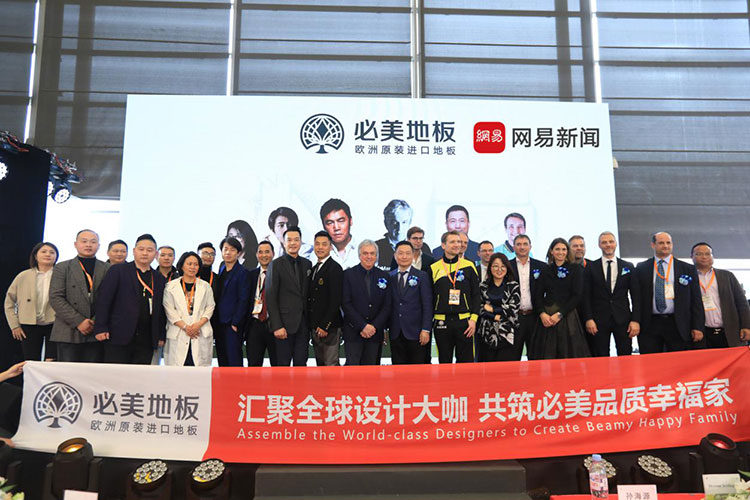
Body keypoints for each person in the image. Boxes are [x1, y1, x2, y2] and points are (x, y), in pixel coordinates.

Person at [93, 234, 166, 364]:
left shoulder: (158, 278)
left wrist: (160, 334)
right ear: (134, 251)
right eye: (141, 249)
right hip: (118, 335)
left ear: (155, 254)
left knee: (140, 374)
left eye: (149, 250)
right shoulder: (118, 270)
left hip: (147, 337)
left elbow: (161, 309)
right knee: (116, 373)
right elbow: (104, 301)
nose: (145, 253)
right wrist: (101, 327)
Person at [635, 232, 704, 353]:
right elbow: (637, 298)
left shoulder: (687, 268)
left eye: (668, 243)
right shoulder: (642, 268)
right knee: (651, 360)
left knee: (678, 361)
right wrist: (636, 320)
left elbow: (696, 299)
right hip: (650, 323)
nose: (665, 246)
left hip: (678, 323)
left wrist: (697, 326)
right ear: (653, 245)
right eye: (661, 243)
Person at [49, 229, 109, 362]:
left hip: (96, 330)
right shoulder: (62, 267)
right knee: (67, 373)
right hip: (68, 330)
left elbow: (110, 300)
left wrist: (95, 321)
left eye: (93, 242)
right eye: (84, 241)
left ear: (99, 246)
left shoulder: (107, 268)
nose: (88, 245)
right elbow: (55, 297)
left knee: (92, 373)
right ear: (75, 244)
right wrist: (79, 322)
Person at [581, 231, 641, 357]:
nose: (608, 245)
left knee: (625, 355)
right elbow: (586, 296)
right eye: (604, 242)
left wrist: (635, 320)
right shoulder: (591, 267)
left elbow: (636, 296)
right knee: (600, 356)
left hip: (623, 319)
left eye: (611, 242)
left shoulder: (628, 266)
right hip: (598, 320)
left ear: (616, 243)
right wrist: (589, 319)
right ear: (599, 245)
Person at [529, 238, 590, 360]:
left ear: (567, 251)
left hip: (567, 315)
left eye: (563, 249)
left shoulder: (575, 269)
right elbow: (538, 295)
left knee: (569, 355)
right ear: (551, 251)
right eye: (557, 249)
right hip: (547, 317)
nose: (560, 252)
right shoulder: (545, 269)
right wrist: (542, 314)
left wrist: (560, 314)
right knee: (546, 356)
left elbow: (576, 295)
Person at [430, 230, 480, 363]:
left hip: (465, 322)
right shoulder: (434, 267)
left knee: (466, 364)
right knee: (444, 363)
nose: (457, 245)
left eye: (459, 242)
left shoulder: (469, 266)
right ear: (443, 245)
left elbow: (476, 295)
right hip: (441, 322)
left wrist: (473, 319)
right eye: (452, 242)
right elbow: (430, 298)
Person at [5, 242, 59, 361]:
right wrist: (14, 325)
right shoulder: (23, 276)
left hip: (55, 323)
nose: (48, 254)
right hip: (29, 324)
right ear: (35, 255)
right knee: (31, 361)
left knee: (52, 360)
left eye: (52, 252)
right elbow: (9, 302)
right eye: (43, 252)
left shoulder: (61, 275)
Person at [266, 226, 312, 366]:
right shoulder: (275, 265)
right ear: (284, 243)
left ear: (300, 242)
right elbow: (270, 297)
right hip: (283, 326)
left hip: (303, 325)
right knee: (283, 366)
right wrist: (277, 326)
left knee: (301, 365)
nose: (293, 243)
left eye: (296, 240)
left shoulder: (307, 264)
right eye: (289, 240)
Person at [691, 242, 750, 348]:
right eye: (699, 254)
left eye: (708, 254)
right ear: (692, 257)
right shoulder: (688, 277)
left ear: (712, 256)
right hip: (702, 332)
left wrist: (746, 326)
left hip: (729, 331)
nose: (704, 257)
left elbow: (741, 302)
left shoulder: (727, 276)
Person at [342, 240, 391, 365]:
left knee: (372, 372)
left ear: (376, 256)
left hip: (375, 334)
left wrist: (373, 326)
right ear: (359, 255)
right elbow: (346, 304)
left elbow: (387, 306)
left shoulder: (384, 276)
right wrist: (363, 326)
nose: (369, 256)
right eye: (365, 253)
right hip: (353, 333)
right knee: (353, 372)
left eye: (372, 253)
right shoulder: (348, 275)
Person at [163, 252, 215, 366]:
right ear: (182, 266)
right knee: (177, 370)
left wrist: (197, 325)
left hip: (200, 331)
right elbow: (169, 310)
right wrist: (186, 327)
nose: (192, 267)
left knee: (198, 370)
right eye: (189, 264)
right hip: (179, 332)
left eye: (196, 264)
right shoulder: (170, 286)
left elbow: (210, 307)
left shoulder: (205, 286)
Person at [388, 241, 432, 364]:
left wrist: (426, 329)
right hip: (396, 332)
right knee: (398, 369)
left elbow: (427, 305)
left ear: (413, 255)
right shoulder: (389, 277)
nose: (404, 256)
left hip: (416, 332)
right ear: (395, 256)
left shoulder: (422, 276)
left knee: (417, 370)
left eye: (408, 253)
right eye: (400, 253)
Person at [307, 231, 344, 366]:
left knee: (331, 366)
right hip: (315, 327)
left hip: (330, 328)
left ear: (330, 247)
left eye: (324, 244)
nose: (320, 247)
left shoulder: (335, 268)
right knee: (321, 366)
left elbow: (335, 300)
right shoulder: (314, 269)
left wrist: (325, 325)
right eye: (317, 244)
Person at [509, 234, 547, 360]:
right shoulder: (507, 266)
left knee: (536, 357)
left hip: (535, 318)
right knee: (513, 356)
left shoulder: (541, 266)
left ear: (530, 246)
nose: (522, 247)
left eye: (525, 244)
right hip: (515, 318)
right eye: (518, 244)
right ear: (513, 247)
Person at [214, 237, 251, 366]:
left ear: (238, 253)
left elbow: (244, 300)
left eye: (232, 250)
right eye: (225, 249)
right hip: (219, 323)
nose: (228, 252)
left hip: (232, 325)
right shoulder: (221, 269)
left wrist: (236, 322)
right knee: (222, 359)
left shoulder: (242, 272)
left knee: (234, 360)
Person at [477, 253, 520, 362]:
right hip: (486, 334)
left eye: (503, 266)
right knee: (487, 367)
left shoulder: (513, 286)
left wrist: (492, 309)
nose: (499, 269)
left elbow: (512, 309)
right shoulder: (483, 286)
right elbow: (480, 308)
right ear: (490, 268)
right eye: (495, 266)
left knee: (505, 368)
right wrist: (496, 316)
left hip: (507, 334)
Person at [246, 241, 278, 367]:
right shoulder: (250, 275)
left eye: (267, 252)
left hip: (275, 325)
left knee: (277, 365)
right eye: (260, 252)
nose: (264, 255)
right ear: (256, 255)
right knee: (253, 365)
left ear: (273, 254)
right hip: (254, 325)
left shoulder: (280, 274)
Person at [320, 198, 359, 269]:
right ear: (323, 226)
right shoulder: (316, 255)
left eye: (341, 221)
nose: (336, 227)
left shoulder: (366, 249)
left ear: (350, 221)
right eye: (330, 223)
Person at [375, 199, 413, 269]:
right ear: (386, 223)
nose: (399, 228)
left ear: (409, 223)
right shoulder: (375, 248)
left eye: (404, 222)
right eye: (395, 223)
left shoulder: (420, 248)